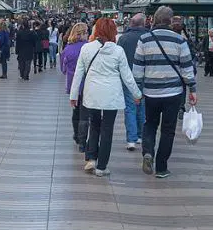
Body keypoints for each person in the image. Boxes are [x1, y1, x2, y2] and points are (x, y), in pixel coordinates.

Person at [70, 18, 141, 177]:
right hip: (111, 95)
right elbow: (127, 76)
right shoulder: (118, 51)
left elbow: (79, 74)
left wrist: (74, 95)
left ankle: (91, 159)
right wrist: (137, 94)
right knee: (107, 129)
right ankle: (102, 167)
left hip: (92, 93)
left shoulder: (87, 48)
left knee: (94, 125)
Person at [133, 7, 197, 179]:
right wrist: (192, 89)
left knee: (150, 124)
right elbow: (187, 68)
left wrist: (137, 91)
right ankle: (161, 167)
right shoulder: (179, 40)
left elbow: (138, 69)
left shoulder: (144, 39)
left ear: (154, 19)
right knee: (168, 130)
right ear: (170, 21)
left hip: (151, 92)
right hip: (173, 93)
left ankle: (148, 153)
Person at [117, 13, 148, 151]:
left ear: (131, 24)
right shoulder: (149, 38)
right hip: (145, 78)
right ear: (144, 23)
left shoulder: (123, 38)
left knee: (130, 107)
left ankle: (131, 139)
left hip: (127, 78)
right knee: (141, 106)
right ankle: (141, 135)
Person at [61, 23, 90, 150]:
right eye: (87, 32)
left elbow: (63, 69)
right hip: (87, 84)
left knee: (76, 111)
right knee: (85, 113)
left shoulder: (67, 48)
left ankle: (76, 135)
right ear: (82, 33)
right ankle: (82, 141)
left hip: (73, 84)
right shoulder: (88, 47)